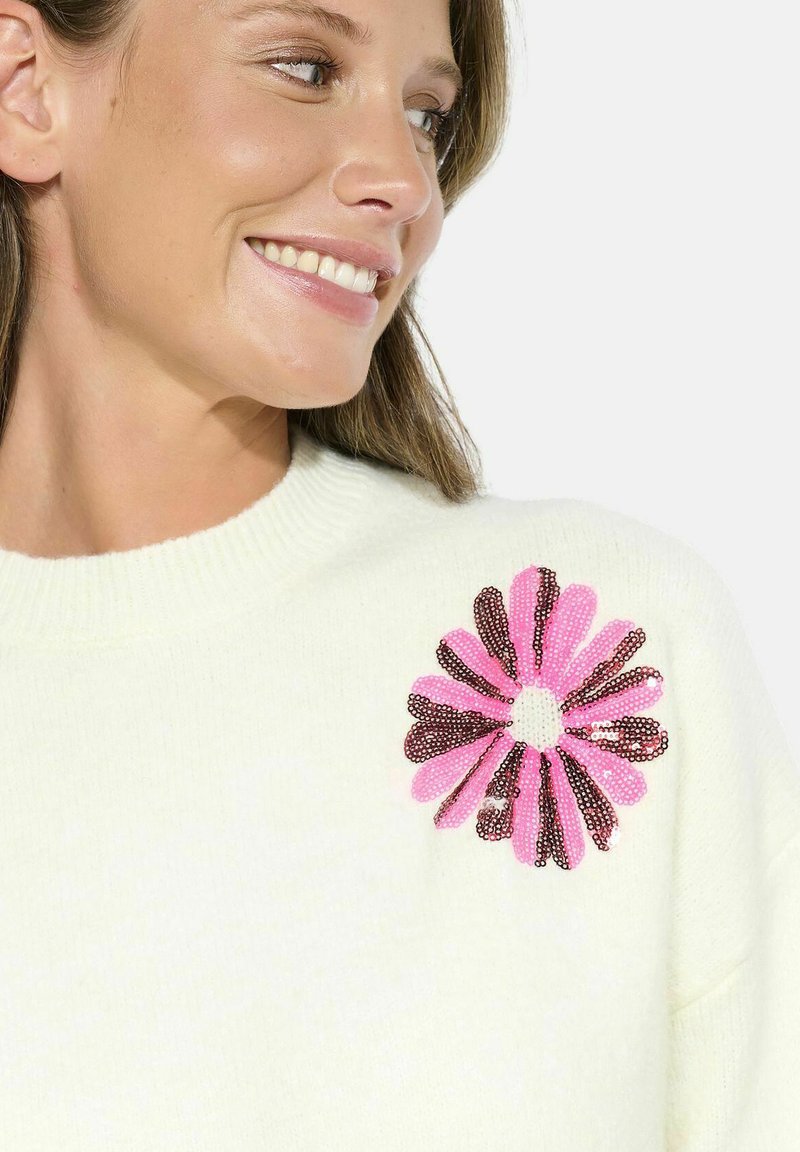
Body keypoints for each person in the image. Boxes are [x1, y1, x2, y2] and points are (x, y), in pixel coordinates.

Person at [0, 0, 797, 1148]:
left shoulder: (594, 653)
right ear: (25, 87)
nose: (403, 183)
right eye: (302, 67)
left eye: (426, 114)